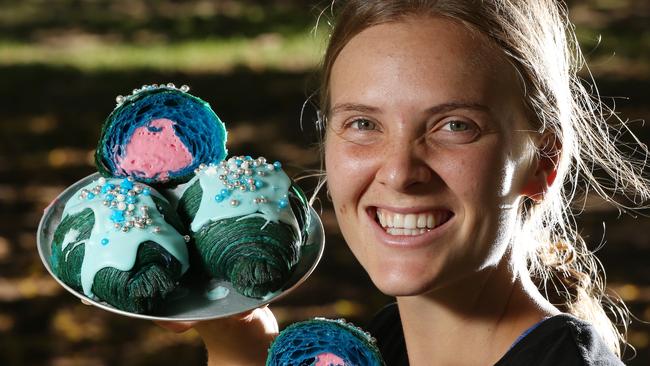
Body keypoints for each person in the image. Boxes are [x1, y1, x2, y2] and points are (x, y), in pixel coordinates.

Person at [158, 1, 649, 365]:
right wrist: (237, 340)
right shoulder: (386, 343)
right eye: (364, 125)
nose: (398, 172)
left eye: (455, 126)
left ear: (542, 162)